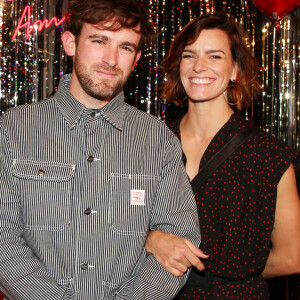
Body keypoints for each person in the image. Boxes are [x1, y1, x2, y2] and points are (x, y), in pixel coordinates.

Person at [0, 0, 202, 299]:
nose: (111, 59)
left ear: (136, 59)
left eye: (125, 47)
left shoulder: (158, 140)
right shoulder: (13, 129)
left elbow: (178, 243)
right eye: (99, 40)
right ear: (70, 43)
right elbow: (3, 240)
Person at [145, 12, 300, 299]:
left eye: (214, 56)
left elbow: (292, 256)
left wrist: (233, 279)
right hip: (156, 292)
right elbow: (112, 223)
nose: (199, 66)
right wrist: (150, 240)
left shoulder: (267, 155)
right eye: (189, 55)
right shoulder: (149, 143)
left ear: (235, 71)